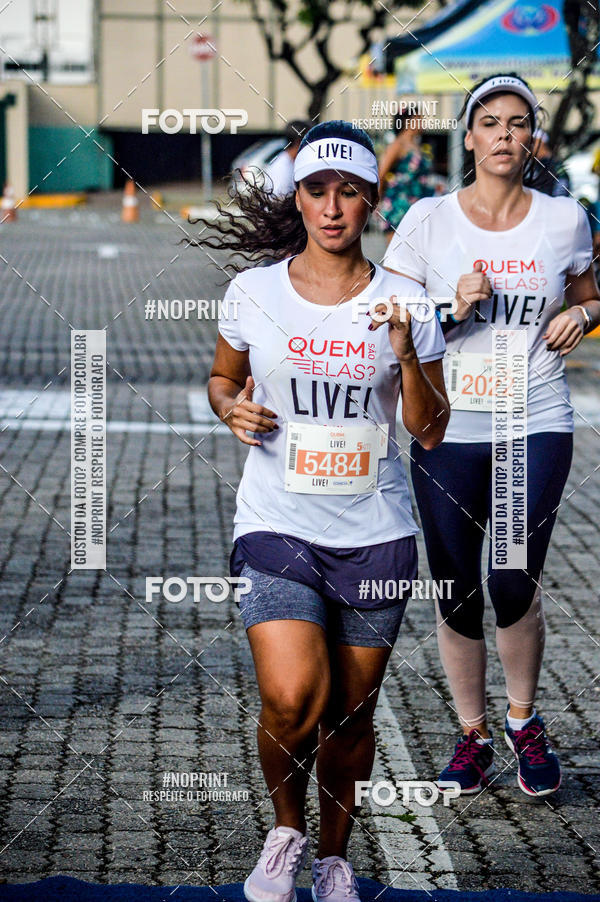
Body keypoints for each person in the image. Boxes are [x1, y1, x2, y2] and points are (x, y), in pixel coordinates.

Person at [203, 120, 449, 902]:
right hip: (277, 522)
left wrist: (407, 350)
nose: (333, 207)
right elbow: (220, 379)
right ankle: (285, 830)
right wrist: (230, 411)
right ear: (299, 198)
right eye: (318, 190)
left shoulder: (406, 301)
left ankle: (334, 858)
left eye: (349, 191)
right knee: (292, 697)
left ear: (373, 202)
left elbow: (432, 428)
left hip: (376, 536)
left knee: (349, 716)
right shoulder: (254, 292)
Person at [383, 73, 600, 798]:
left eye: (518, 123)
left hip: (533, 416)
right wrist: (448, 307)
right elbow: (387, 323)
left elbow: (588, 294)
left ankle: (524, 719)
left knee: (510, 577)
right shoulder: (426, 220)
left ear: (531, 137)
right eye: (491, 123)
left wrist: (586, 317)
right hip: (447, 422)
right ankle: (472, 734)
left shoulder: (564, 218)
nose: (505, 135)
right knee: (453, 589)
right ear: (469, 135)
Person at [376, 112, 436, 242]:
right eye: (419, 120)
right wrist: (377, 201)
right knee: (395, 253)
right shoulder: (397, 145)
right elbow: (381, 173)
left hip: (417, 205)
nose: (423, 123)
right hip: (398, 204)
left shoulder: (417, 146)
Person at [262, 120, 311, 197]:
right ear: (299, 142)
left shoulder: (290, 163)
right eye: (309, 141)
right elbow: (278, 203)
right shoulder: (282, 169)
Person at [530, 128, 570, 196]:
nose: (530, 146)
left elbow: (562, 188)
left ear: (542, 143)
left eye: (533, 142)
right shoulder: (534, 164)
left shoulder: (555, 165)